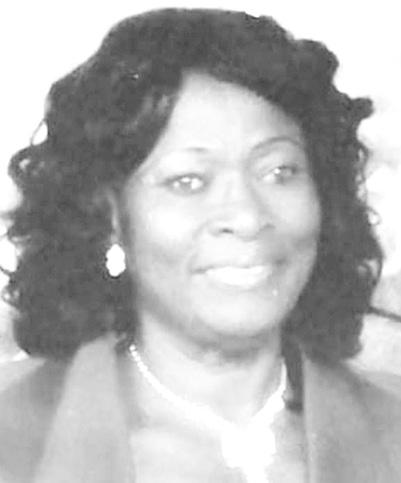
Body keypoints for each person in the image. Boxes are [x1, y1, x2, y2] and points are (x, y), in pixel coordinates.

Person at [1, 8, 400, 483]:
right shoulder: (15, 439)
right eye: (188, 181)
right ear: (109, 216)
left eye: (280, 172)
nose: (247, 217)